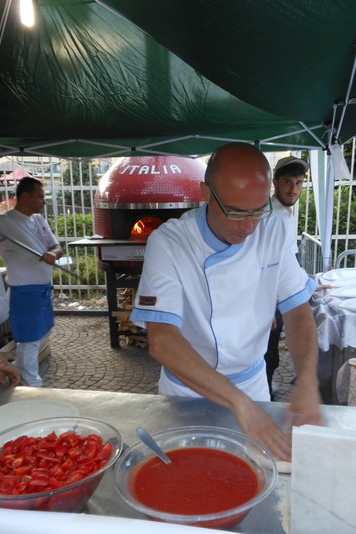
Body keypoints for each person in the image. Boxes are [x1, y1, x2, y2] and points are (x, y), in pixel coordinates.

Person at [131, 143, 322, 460]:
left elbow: (298, 311)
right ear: (205, 193)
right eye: (236, 212)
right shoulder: (170, 242)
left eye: (258, 210)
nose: (248, 227)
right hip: (186, 393)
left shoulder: (274, 230)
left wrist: (308, 380)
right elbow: (162, 340)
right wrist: (238, 403)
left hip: (253, 387)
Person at [0, 177, 63, 387]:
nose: (44, 201)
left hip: (42, 291)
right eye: (40, 196)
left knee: (41, 335)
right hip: (23, 293)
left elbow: (57, 247)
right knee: (30, 341)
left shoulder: (40, 220)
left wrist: (52, 254)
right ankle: (34, 384)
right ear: (25, 196)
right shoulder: (3, 224)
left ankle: (20, 370)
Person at [264, 156, 309, 399]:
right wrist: (268, 306)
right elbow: (266, 265)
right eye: (288, 182)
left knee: (271, 349)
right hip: (271, 297)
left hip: (281, 294)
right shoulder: (272, 217)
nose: (293, 189)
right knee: (268, 350)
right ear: (276, 182)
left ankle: (267, 388)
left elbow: (290, 259)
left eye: (299, 183)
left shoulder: (284, 213)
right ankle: (264, 395)